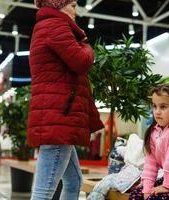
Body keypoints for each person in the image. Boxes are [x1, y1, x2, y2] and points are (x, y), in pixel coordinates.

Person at [27, 0, 104, 199]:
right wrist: (86, 45)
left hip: (58, 114)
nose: (75, 11)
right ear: (58, 4)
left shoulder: (46, 25)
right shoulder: (55, 25)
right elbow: (81, 61)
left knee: (74, 182)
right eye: (73, 5)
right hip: (61, 116)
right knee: (44, 191)